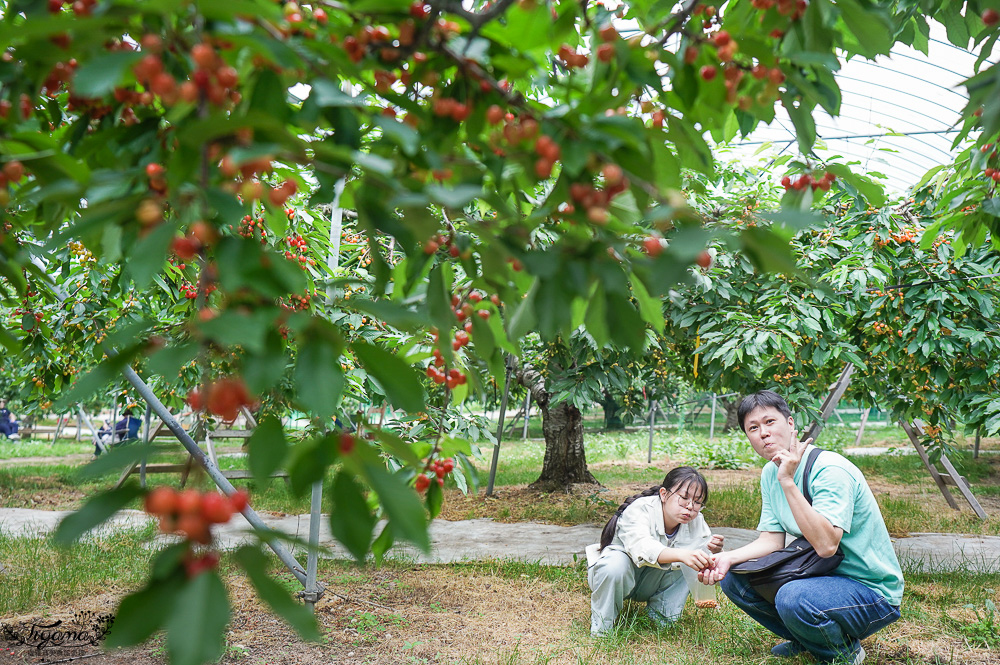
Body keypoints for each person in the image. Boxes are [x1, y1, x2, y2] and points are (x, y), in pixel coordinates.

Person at [700, 390, 903, 665]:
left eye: (770, 422)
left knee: (793, 597)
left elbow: (827, 545)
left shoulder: (830, 469)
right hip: (820, 577)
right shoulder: (770, 472)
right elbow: (771, 541)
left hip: (869, 590)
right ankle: (808, 638)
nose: (763, 433)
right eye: (753, 428)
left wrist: (788, 481)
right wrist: (726, 558)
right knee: (735, 578)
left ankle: (842, 653)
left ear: (791, 424)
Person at [587, 466, 724, 636]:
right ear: (664, 494)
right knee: (614, 566)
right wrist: (683, 555)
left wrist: (711, 552)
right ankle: (602, 629)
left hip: (650, 582)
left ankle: (660, 620)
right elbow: (643, 547)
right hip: (618, 576)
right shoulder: (640, 509)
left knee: (692, 561)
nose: (690, 506)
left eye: (697, 502)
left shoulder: (697, 521)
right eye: (684, 498)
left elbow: (703, 565)